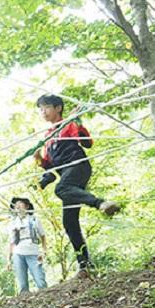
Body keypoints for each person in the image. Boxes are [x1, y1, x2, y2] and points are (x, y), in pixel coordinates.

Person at [34, 94, 119, 279]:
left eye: (46, 107)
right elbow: (51, 167)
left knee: (61, 189)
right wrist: (40, 160)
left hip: (78, 166)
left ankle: (101, 204)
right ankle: (85, 266)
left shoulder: (68, 124)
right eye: (40, 109)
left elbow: (87, 143)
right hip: (66, 175)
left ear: (58, 108)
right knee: (69, 222)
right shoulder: (47, 137)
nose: (43, 112)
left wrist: (78, 124)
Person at [7, 197, 48, 294]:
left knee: (40, 281)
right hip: (18, 253)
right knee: (22, 285)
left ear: (27, 206)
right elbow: (11, 242)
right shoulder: (13, 223)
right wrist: (8, 259)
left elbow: (43, 236)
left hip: (33, 252)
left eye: (20, 204)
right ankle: (26, 304)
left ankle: (46, 299)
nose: (18, 206)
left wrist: (44, 251)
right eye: (16, 205)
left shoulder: (34, 220)